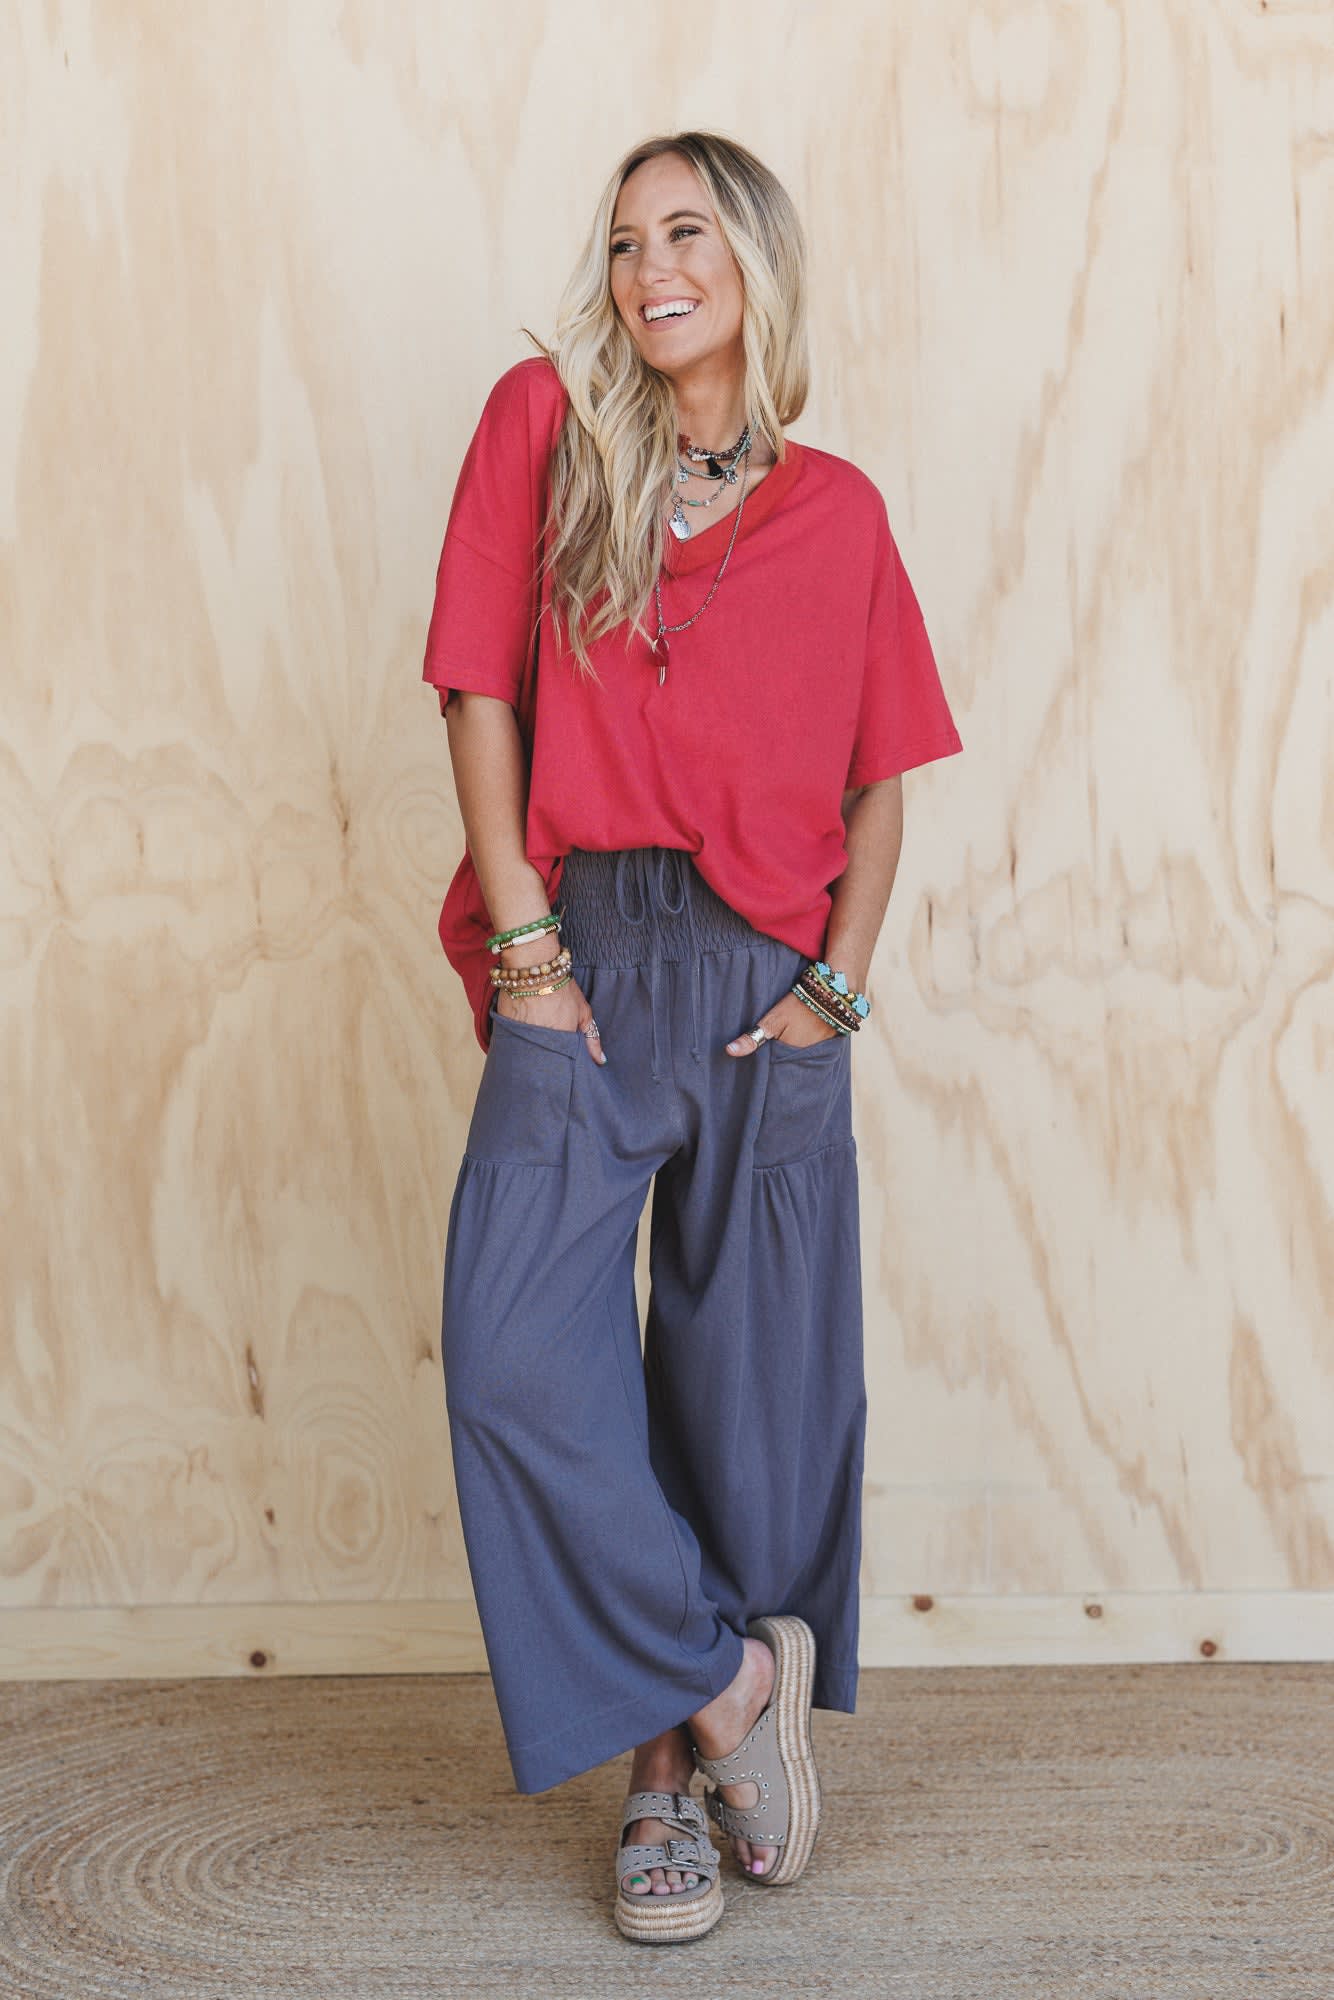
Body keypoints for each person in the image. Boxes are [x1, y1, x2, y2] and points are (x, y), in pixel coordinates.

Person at [421, 129, 963, 1944]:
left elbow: (881, 783)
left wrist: (834, 992)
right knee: (514, 1354)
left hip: (762, 980)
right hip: (579, 949)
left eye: (686, 233)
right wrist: (524, 946)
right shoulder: (544, 429)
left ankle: (661, 1787)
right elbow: (475, 689)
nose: (649, 268)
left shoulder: (840, 515)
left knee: (744, 1400)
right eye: (624, 239)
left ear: (754, 267)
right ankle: (728, 1686)